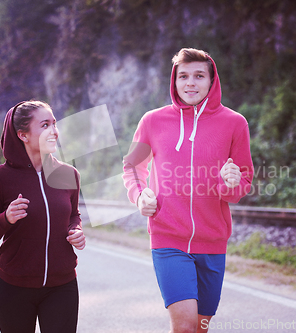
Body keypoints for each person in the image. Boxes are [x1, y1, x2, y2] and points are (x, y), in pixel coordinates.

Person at [123, 48, 254, 333]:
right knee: (184, 325)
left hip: (213, 242)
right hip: (167, 238)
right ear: (174, 81)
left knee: (200, 327)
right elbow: (133, 167)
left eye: (198, 76)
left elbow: (243, 179)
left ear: (211, 81)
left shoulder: (234, 123)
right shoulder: (152, 121)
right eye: (183, 76)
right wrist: (140, 194)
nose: (190, 83)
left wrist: (229, 184)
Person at [0, 100, 86, 333]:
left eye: (54, 124)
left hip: (62, 284)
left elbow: (73, 215)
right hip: (14, 287)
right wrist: (6, 218)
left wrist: (76, 230)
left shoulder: (68, 174)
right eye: (45, 125)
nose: (54, 131)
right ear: (23, 135)